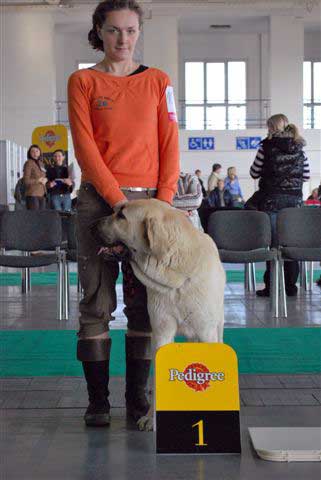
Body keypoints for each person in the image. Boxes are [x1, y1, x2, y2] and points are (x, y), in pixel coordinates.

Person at [68, 0, 180, 427]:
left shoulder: (159, 82)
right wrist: (119, 202)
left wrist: (163, 201)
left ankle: (139, 402)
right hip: (100, 203)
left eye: (131, 30)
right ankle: (98, 402)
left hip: (151, 204)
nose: (123, 39)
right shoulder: (82, 81)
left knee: (145, 304)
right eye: (114, 30)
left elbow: (170, 141)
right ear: (99, 30)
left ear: (139, 32)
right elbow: (85, 149)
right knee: (96, 302)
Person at [249, 113, 310, 297]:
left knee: (273, 245)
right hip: (294, 203)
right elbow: (306, 175)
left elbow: (253, 172)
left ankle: (273, 287)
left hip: (271, 200)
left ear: (271, 128)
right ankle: (290, 286)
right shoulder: (300, 148)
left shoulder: (265, 148)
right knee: (290, 243)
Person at [23, 145, 47, 210]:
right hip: (32, 194)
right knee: (34, 217)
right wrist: (38, 180)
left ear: (39, 152)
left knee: (41, 217)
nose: (35, 153)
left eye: (37, 151)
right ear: (29, 153)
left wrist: (45, 179)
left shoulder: (41, 163)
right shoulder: (28, 163)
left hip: (42, 194)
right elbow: (26, 181)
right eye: (32, 151)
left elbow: (43, 177)